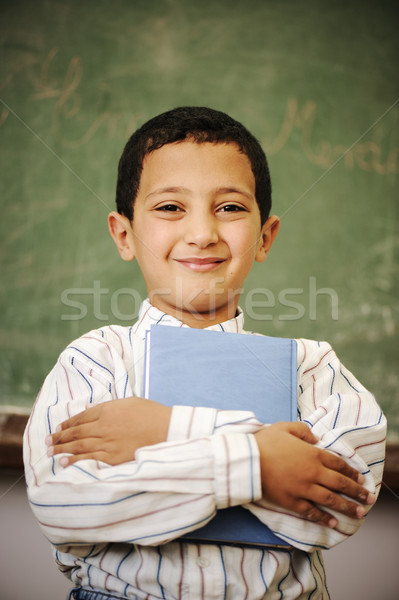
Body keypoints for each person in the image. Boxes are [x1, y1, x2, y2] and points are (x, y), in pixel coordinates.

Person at [23, 106, 386, 600]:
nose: (203, 233)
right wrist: (263, 462)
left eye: (230, 208)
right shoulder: (96, 361)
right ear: (124, 234)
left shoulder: (312, 366)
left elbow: (336, 511)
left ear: (265, 237)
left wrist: (168, 433)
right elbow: (67, 508)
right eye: (171, 207)